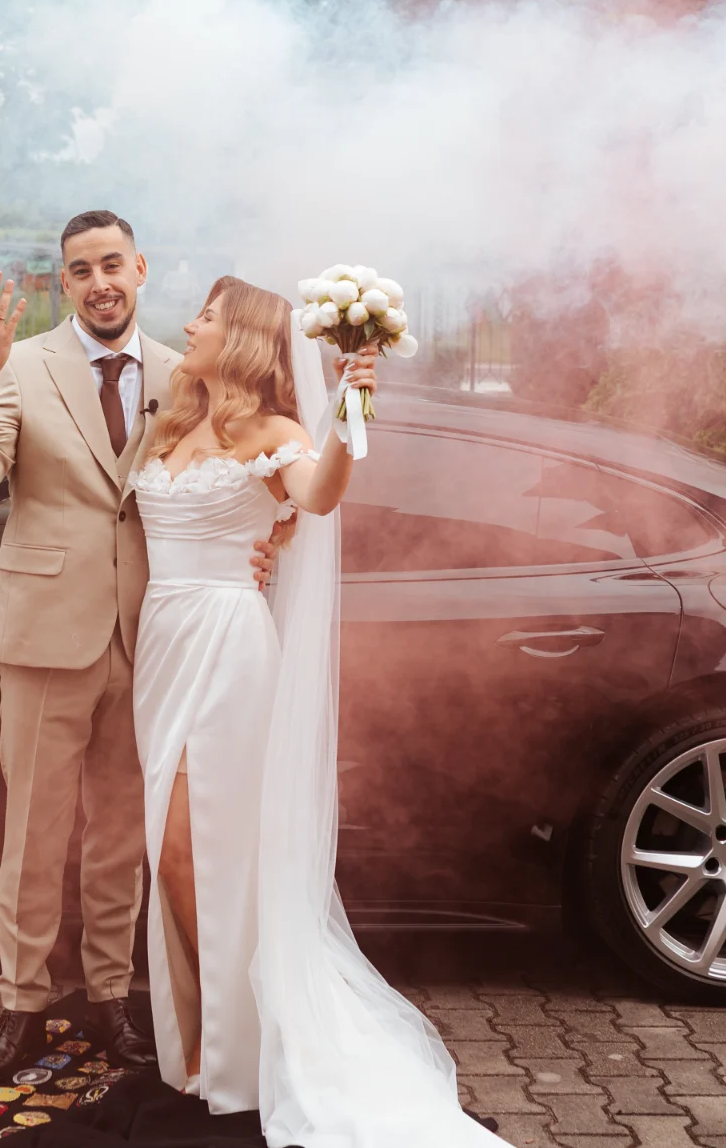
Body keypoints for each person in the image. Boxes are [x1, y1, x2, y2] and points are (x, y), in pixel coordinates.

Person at [124, 277, 501, 1146]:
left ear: (245, 337)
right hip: (163, 647)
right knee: (170, 849)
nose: (190, 325)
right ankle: (204, 1036)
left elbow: (320, 493)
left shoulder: (277, 432)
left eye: (207, 316)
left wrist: (352, 402)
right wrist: (274, 534)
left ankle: (244, 1044)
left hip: (226, 647)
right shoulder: (172, 422)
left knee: (197, 850)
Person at [0, 210, 178, 1079]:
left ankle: (110, 995)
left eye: (112, 264)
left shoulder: (182, 374)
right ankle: (22, 1003)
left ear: (140, 267)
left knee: (120, 835)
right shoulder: (22, 366)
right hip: (45, 636)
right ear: (64, 282)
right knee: (34, 833)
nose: (99, 282)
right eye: (81, 270)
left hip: (148, 638)